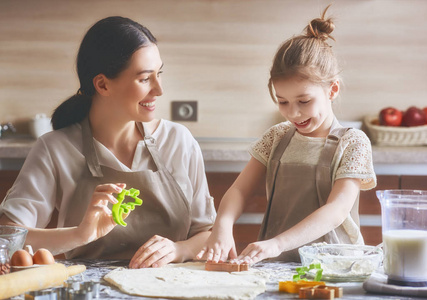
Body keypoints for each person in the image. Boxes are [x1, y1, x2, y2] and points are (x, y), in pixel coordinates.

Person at [0, 16, 216, 268]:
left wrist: (178, 250)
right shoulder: (54, 149)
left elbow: (208, 234)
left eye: (159, 74)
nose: (159, 89)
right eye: (145, 78)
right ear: (102, 84)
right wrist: (81, 234)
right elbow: (7, 237)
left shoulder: (179, 141)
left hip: (171, 289)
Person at [197, 6, 376, 264]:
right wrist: (222, 226)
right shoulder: (277, 137)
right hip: (278, 263)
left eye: (304, 101)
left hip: (335, 267)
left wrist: (277, 243)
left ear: (332, 90)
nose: (293, 113)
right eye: (282, 102)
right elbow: (238, 190)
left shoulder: (353, 143)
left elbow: (336, 211)